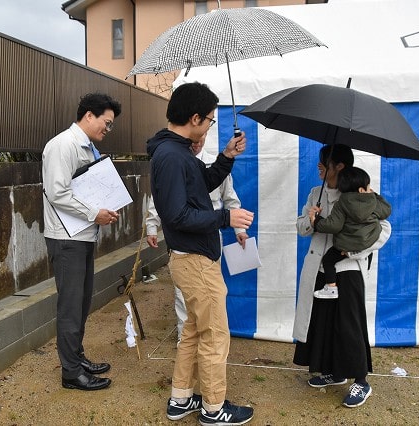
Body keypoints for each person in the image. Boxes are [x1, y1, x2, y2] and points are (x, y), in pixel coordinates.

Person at [147, 82, 255, 425]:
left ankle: (181, 398)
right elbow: (177, 215)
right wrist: (227, 217)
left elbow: (201, 186)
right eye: (208, 119)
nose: (209, 124)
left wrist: (226, 157)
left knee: (194, 331)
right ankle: (213, 407)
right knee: (214, 334)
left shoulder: (175, 152)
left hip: (191, 258)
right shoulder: (171, 156)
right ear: (194, 118)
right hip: (195, 260)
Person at [292, 144, 391, 408]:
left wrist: (354, 251)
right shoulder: (316, 193)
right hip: (320, 268)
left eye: (325, 162)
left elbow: (384, 229)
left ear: (340, 167)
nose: (319, 166)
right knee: (324, 322)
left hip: (348, 271)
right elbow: (301, 228)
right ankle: (335, 373)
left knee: (349, 326)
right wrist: (310, 219)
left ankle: (361, 381)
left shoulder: (360, 193)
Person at [42, 92, 121, 391]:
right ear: (89, 115)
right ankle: (71, 373)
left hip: (82, 234)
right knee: (71, 306)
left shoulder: (87, 147)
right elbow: (57, 193)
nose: (107, 129)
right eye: (107, 123)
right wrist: (94, 212)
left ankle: (77, 358)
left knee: (82, 302)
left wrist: (103, 209)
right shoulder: (62, 145)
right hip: (66, 238)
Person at [146, 133, 248, 344]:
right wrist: (151, 226)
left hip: (210, 236)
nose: (196, 142)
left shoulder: (212, 161)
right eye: (192, 138)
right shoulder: (173, 159)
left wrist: (239, 230)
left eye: (201, 136)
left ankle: (202, 339)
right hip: (184, 239)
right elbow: (161, 200)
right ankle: (187, 337)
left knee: (210, 293)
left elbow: (231, 199)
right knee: (184, 295)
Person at [308, 166, 391, 299]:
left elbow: (334, 225)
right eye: (368, 187)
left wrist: (316, 221)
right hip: (366, 242)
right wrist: (375, 196)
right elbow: (386, 211)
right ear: (361, 189)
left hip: (344, 245)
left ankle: (331, 287)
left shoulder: (341, 203)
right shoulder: (374, 201)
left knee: (328, 261)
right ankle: (366, 270)